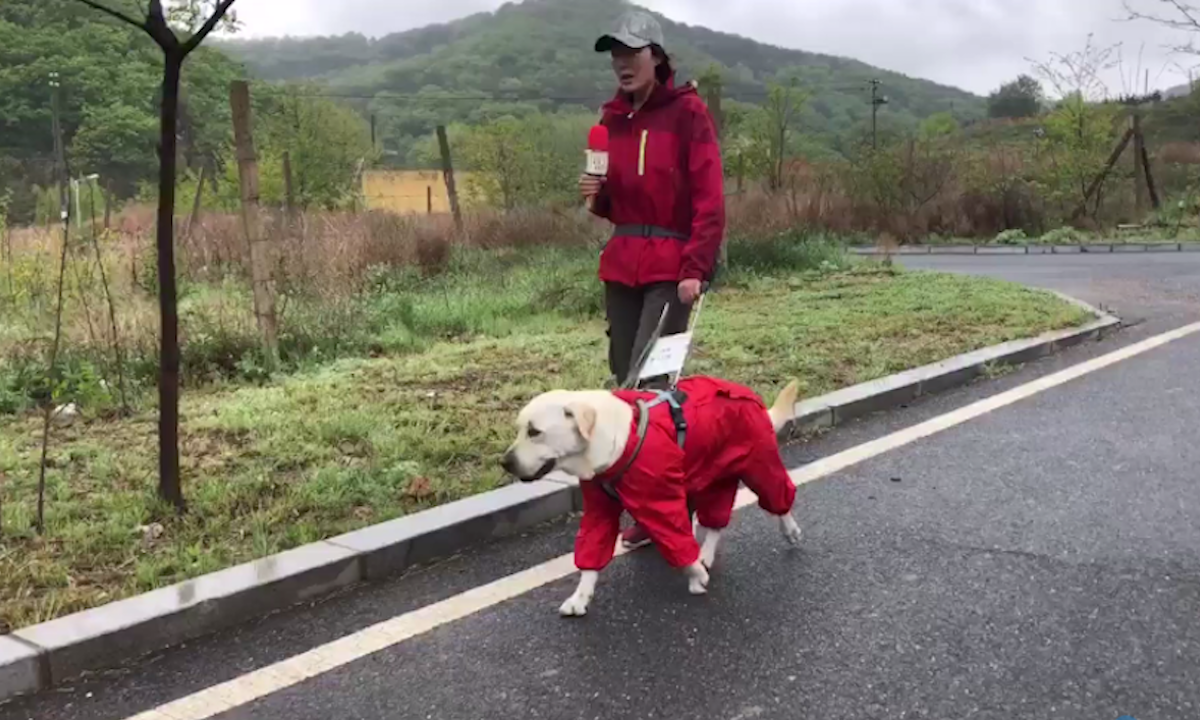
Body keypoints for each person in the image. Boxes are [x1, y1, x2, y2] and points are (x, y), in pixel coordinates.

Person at [580, 10, 726, 550]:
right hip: (623, 262)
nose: (621, 64)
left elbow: (710, 199)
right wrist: (596, 197)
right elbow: (614, 206)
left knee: (649, 385)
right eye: (614, 55)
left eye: (631, 53)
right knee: (624, 378)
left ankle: (660, 506)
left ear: (657, 58)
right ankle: (648, 491)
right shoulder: (611, 120)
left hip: (672, 267)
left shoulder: (688, 114)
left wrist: (696, 268)